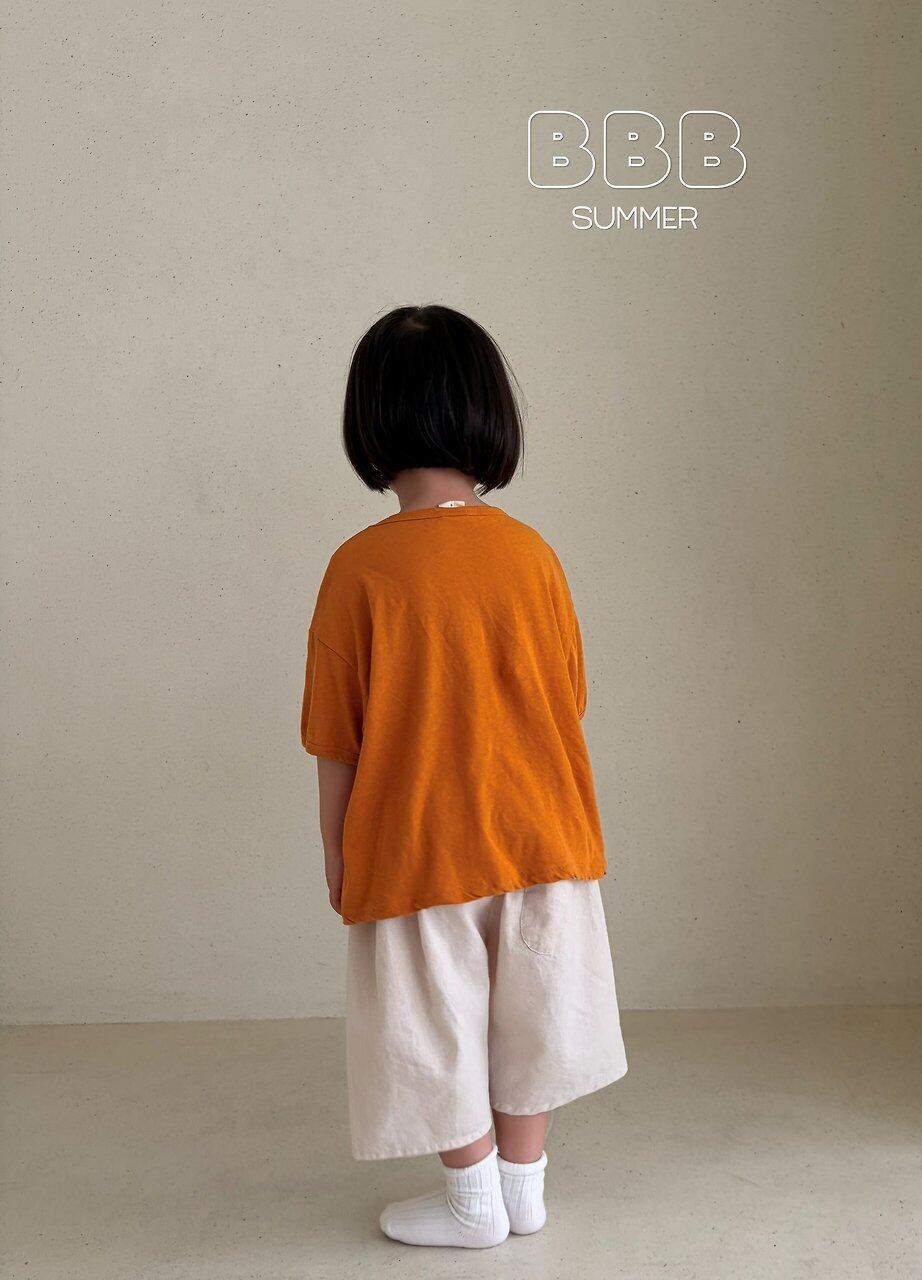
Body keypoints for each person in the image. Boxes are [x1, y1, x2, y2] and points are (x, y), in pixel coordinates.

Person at [301, 305, 626, 1248]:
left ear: (369, 420)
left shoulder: (358, 570)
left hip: (416, 844)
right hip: (543, 833)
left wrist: (339, 852)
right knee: (536, 1013)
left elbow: (336, 736)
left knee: (432, 1022)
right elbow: (568, 698)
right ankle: (524, 1188)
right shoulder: (531, 554)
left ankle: (473, 1200)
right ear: (489, 411)